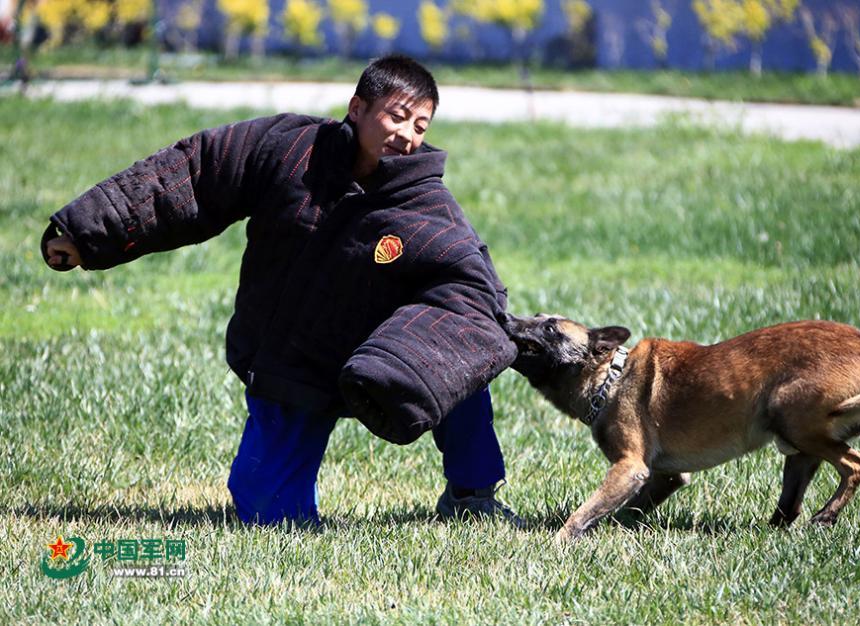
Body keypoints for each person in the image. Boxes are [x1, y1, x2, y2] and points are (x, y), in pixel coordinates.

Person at [42, 55, 520, 528]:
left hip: (384, 357)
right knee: (274, 519)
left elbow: (475, 291)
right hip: (294, 362)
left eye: (420, 124)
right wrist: (87, 234)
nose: (407, 135)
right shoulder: (288, 148)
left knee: (460, 355)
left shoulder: (425, 202)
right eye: (396, 116)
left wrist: (409, 361)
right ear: (356, 108)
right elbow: (191, 176)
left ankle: (472, 492)